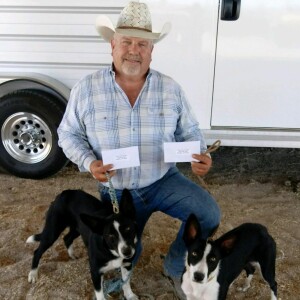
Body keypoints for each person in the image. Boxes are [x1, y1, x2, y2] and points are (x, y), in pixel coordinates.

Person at [58, 1, 221, 299]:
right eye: (127, 42)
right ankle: (120, 277)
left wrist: (200, 157)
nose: (134, 50)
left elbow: (191, 132)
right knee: (128, 250)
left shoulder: (170, 89)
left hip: (163, 180)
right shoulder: (86, 88)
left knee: (208, 214)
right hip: (117, 191)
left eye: (142, 44)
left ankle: (174, 265)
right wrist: (89, 162)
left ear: (151, 50)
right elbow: (67, 134)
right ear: (112, 45)